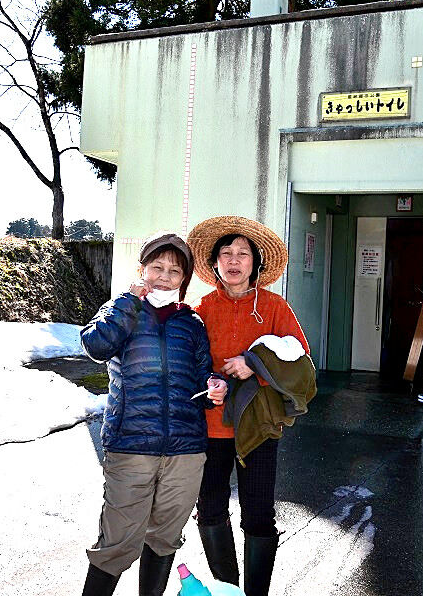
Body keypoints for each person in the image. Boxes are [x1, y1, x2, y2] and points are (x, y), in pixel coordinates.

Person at [79, 232, 228, 596]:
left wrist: (215, 387)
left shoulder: (191, 323)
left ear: (183, 280)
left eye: (174, 271)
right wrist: (130, 300)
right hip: (131, 447)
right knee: (117, 543)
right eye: (156, 267)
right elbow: (96, 345)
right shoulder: (120, 310)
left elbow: (202, 375)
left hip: (186, 451)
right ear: (141, 270)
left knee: (164, 539)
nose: (164, 276)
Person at [186, 216, 316, 596]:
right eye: (225, 253)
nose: (233, 260)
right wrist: (208, 383)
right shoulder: (202, 308)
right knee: (209, 509)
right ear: (214, 264)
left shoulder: (274, 307)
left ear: (255, 264)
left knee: (259, 516)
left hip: (258, 425)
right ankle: (229, 589)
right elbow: (189, 362)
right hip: (210, 426)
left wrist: (253, 365)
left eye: (243, 253)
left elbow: (300, 360)